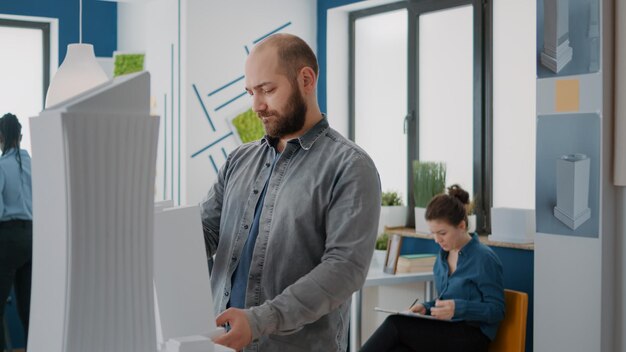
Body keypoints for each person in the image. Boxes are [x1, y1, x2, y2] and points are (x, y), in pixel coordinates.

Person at [200, 33, 381, 351]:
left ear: (306, 79)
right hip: (220, 345)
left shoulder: (350, 167)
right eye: (251, 92)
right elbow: (203, 234)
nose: (256, 105)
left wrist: (259, 321)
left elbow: (344, 270)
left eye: (267, 90)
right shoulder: (238, 161)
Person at [360, 185, 504, 352]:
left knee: (395, 324)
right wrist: (426, 307)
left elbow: (497, 310)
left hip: (472, 337)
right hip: (445, 331)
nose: (437, 240)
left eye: (442, 233)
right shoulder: (442, 258)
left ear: (462, 226)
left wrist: (459, 308)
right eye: (433, 233)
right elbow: (444, 301)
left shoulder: (484, 258)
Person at [0, 113, 33, 350]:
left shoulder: (2, 166)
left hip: (9, 238)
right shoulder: (31, 163)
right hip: (32, 238)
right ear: (20, 137)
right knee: (28, 309)